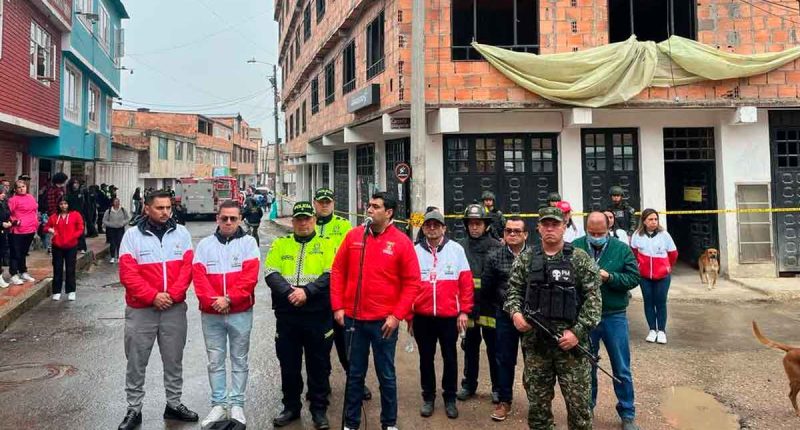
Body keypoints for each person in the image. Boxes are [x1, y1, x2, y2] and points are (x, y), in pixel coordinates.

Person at [504, 206, 602, 430]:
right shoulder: (526, 258)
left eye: (555, 224)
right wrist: (516, 313)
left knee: (579, 411)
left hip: (571, 348)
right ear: (538, 228)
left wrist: (577, 333)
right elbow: (513, 293)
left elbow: (594, 301)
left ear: (564, 227)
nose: (550, 228)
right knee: (538, 409)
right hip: (537, 346)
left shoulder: (579, 259)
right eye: (545, 224)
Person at [331, 192, 420, 430]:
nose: (369, 210)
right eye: (368, 206)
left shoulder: (402, 242)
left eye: (375, 206)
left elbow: (412, 282)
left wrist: (397, 315)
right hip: (353, 319)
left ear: (388, 212)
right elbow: (338, 271)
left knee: (386, 375)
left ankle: (389, 423)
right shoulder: (353, 237)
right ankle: (351, 423)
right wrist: (338, 306)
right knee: (355, 374)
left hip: (384, 323)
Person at [116, 190, 198, 430]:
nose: (165, 212)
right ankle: (134, 409)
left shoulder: (181, 233)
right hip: (141, 310)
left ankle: (174, 403)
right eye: (159, 208)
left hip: (173, 308)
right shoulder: (132, 236)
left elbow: (187, 268)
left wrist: (171, 296)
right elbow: (128, 274)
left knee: (174, 359)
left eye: (168, 208)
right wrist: (153, 296)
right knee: (136, 361)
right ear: (147, 208)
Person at [266, 201, 337, 429]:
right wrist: (290, 293)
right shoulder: (280, 244)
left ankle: (319, 410)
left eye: (307, 218)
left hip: (317, 315)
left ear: (314, 220)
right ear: (293, 221)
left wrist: (307, 292)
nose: (303, 222)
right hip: (288, 316)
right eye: (299, 218)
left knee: (318, 365)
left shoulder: (327, 245)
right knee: (289, 365)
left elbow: (330, 274)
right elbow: (270, 272)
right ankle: (291, 407)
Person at [193, 200, 260, 427]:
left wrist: (229, 298)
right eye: (224, 218)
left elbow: (250, 278)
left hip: (240, 311)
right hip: (211, 314)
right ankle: (219, 405)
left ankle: (237, 404)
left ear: (240, 219)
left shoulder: (249, 243)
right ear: (217, 219)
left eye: (233, 218)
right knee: (215, 361)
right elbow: (199, 279)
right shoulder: (204, 246)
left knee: (239, 359)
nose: (228, 222)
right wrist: (215, 302)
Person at [573, 212, 642, 430]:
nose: (596, 236)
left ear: (608, 228)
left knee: (621, 366)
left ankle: (627, 412)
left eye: (600, 233)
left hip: (614, 315)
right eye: (592, 233)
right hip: (584, 317)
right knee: (587, 365)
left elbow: (634, 277)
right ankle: (587, 408)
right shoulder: (575, 247)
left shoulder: (621, 249)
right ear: (586, 229)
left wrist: (610, 278)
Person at [411, 210, 473, 420]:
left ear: (444, 228)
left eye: (436, 225)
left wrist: (464, 310)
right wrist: (409, 316)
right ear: (424, 228)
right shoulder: (415, 251)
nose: (432, 228)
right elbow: (408, 286)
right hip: (422, 316)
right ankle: (428, 397)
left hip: (448, 316)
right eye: (428, 225)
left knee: (450, 357)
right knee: (425, 358)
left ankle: (450, 399)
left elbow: (466, 283)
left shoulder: (456, 250)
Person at [311, 187, 371, 400]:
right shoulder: (307, 224)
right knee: (320, 345)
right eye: (321, 201)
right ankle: (321, 384)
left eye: (328, 201)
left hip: (341, 293)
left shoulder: (344, 226)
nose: (325, 205)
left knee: (347, 343)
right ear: (315, 203)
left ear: (333, 203)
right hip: (316, 294)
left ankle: (356, 382)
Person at [482, 216, 529, 421]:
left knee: (535, 362)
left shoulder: (535, 256)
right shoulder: (494, 257)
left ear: (525, 234)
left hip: (531, 319)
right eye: (508, 230)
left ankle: (537, 404)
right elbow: (487, 288)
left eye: (517, 231)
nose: (512, 234)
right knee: (504, 359)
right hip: (504, 316)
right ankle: (504, 401)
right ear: (503, 234)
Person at [456, 204, 502, 403]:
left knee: (495, 350)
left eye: (478, 223)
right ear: (466, 226)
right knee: (470, 348)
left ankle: (498, 388)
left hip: (490, 307)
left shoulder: (497, 247)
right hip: (468, 307)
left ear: (486, 225)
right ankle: (469, 385)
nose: (474, 227)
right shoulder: (460, 247)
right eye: (471, 224)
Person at [630, 209, 677, 345]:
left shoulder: (664, 235)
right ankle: (652, 329)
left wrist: (667, 267)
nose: (653, 222)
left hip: (662, 276)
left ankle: (661, 330)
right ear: (644, 221)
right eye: (650, 219)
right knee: (649, 302)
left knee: (660, 302)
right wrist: (639, 267)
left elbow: (673, 254)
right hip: (644, 276)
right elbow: (633, 253)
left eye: (655, 219)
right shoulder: (637, 235)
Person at [45, 199, 84, 301]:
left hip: (71, 246)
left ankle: (71, 291)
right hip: (57, 246)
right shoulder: (54, 216)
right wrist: (50, 230)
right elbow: (46, 227)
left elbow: (80, 228)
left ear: (69, 205)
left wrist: (73, 237)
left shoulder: (75, 215)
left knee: (70, 269)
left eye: (65, 204)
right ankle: (57, 291)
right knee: (57, 269)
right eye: (61, 204)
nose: (63, 206)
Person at [7, 180, 38, 285]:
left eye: (23, 186)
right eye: (19, 187)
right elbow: (7, 213)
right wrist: (15, 221)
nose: (22, 188)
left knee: (24, 252)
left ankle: (23, 272)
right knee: (15, 253)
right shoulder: (13, 200)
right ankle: (14, 274)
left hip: (30, 229)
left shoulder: (30, 197)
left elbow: (34, 210)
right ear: (15, 189)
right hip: (17, 231)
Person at [103, 197, 131, 263]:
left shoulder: (123, 210)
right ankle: (112, 257)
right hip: (111, 229)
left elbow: (128, 218)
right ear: (113, 203)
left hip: (120, 229)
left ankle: (119, 256)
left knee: (119, 242)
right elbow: (104, 220)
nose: (117, 203)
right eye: (115, 201)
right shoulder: (109, 211)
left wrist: (123, 223)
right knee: (112, 243)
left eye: (118, 201)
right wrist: (110, 224)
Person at [66, 179, 88, 253]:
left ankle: (82, 247)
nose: (75, 185)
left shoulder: (82, 193)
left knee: (81, 231)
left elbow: (86, 205)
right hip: (71, 215)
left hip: (80, 215)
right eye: (74, 183)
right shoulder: (69, 194)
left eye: (77, 183)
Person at [0, 188, 10, 288]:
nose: (3, 195)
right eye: (1, 193)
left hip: (3, 231)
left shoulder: (4, 204)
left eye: (3, 193)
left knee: (2, 253)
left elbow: (7, 214)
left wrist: (9, 222)